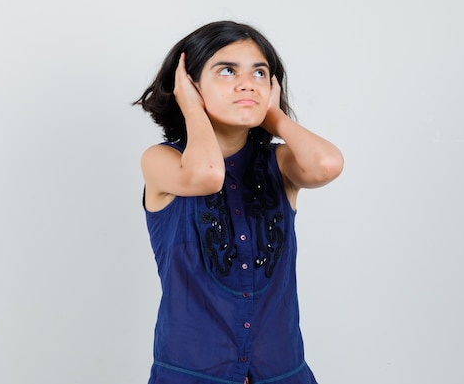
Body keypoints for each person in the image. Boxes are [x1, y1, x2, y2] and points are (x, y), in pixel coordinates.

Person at [133, 20, 344, 384]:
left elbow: (327, 164)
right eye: (227, 70)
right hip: (192, 375)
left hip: (281, 373)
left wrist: (275, 117)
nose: (247, 83)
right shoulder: (161, 161)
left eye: (259, 73)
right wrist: (193, 111)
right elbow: (207, 175)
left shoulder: (281, 164)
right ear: (190, 86)